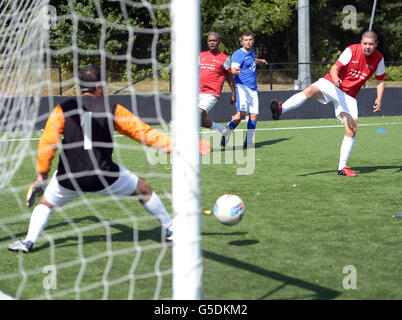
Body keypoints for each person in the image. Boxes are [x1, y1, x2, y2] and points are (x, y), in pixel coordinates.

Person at [8, 65, 211, 253]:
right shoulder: (113, 109)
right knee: (144, 189)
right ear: (98, 86)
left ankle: (28, 241)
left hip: (69, 177)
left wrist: (42, 174)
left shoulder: (62, 109)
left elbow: (47, 143)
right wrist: (182, 146)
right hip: (104, 174)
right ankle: (170, 228)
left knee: (45, 204)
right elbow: (146, 135)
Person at [270, 30, 386, 177]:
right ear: (361, 42)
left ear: (376, 44)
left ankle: (342, 167)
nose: (367, 47)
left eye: (370, 44)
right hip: (332, 84)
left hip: (349, 96)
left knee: (352, 129)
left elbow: (380, 79)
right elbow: (334, 68)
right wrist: (336, 78)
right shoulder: (351, 50)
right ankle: (281, 109)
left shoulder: (379, 58)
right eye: (365, 44)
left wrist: (379, 98)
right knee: (310, 91)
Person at [221, 31, 268, 148]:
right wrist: (234, 70)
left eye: (250, 39)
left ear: (253, 41)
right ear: (242, 41)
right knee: (241, 114)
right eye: (246, 40)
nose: (248, 42)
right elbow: (233, 69)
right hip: (241, 87)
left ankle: (248, 142)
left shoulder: (252, 52)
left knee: (254, 115)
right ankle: (227, 131)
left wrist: (260, 60)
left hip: (253, 88)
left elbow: (251, 59)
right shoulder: (238, 54)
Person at [199, 32, 236, 140]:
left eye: (214, 40)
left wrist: (234, 94)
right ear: (207, 42)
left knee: (197, 113)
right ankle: (224, 131)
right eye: (210, 41)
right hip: (198, 91)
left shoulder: (224, 58)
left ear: (219, 42)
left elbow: (230, 78)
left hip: (211, 93)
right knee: (200, 121)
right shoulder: (201, 56)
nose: (212, 43)